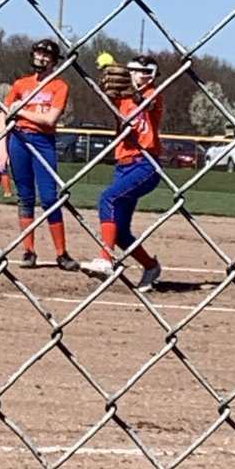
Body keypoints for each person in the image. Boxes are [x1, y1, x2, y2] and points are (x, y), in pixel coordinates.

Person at [0, 39, 79, 271]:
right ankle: (28, 251)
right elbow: (2, 114)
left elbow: (50, 119)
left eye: (46, 55)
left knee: (50, 198)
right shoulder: (21, 84)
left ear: (54, 61)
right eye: (38, 53)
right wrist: (2, 143)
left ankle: (61, 253)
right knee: (25, 196)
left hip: (43, 142)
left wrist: (21, 110)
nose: (41, 58)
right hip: (18, 140)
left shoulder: (59, 86)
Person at [82, 54, 163, 292]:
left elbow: (147, 103)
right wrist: (107, 70)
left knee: (107, 198)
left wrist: (132, 93)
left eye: (140, 72)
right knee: (119, 232)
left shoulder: (154, 94)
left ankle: (106, 260)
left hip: (145, 164)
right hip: (123, 165)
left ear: (150, 75)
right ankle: (151, 266)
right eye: (132, 71)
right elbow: (108, 91)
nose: (134, 75)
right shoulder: (123, 98)